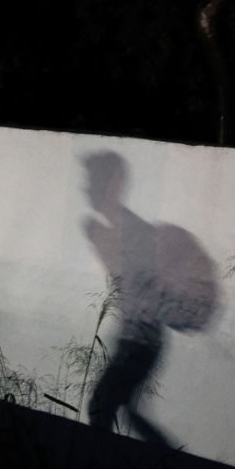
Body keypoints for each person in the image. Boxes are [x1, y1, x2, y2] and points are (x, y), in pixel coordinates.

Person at [81, 150, 173, 449]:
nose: (85, 188)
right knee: (122, 410)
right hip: (135, 338)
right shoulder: (112, 229)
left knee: (102, 406)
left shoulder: (133, 231)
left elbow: (143, 290)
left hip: (140, 338)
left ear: (113, 184)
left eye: (92, 180)